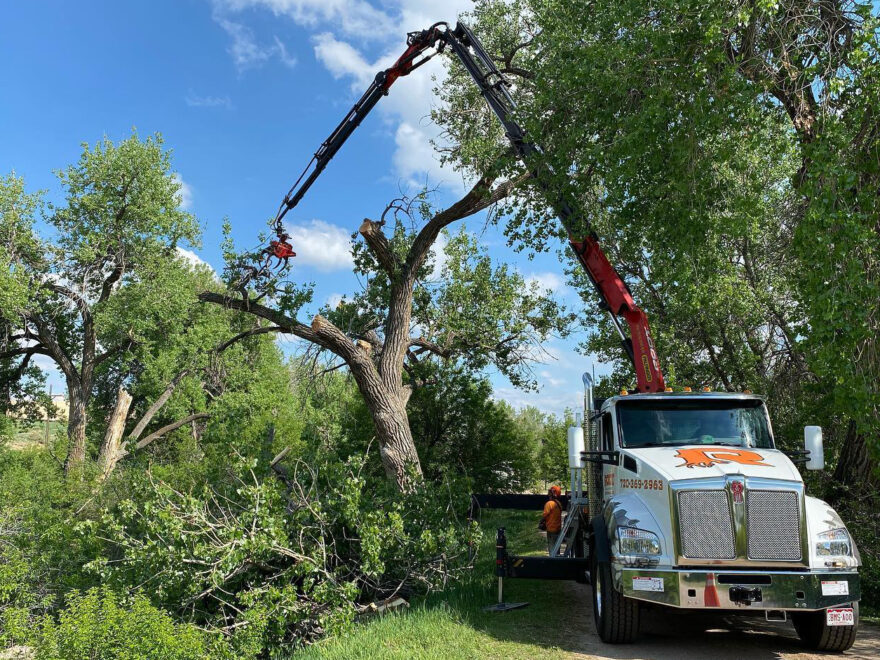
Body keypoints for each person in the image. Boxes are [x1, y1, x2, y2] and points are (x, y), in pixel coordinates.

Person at [542, 485, 563, 555]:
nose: (548, 493)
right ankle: (557, 562)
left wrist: (541, 523)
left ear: (553, 493)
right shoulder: (559, 503)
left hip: (551, 530)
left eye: (550, 492)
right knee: (557, 549)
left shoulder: (549, 504)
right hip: (558, 529)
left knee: (552, 549)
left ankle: (553, 562)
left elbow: (544, 515)